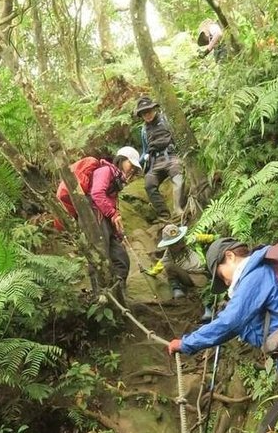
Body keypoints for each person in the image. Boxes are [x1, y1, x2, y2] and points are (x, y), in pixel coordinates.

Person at [167, 237, 278, 433]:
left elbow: (229, 323)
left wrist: (186, 343)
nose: (225, 282)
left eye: (221, 275)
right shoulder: (255, 277)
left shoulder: (256, 274)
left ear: (230, 256)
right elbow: (251, 331)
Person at [57, 146, 141, 287]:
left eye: (134, 168)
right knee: (99, 257)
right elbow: (97, 193)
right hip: (93, 216)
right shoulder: (105, 170)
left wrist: (118, 233)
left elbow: (109, 205)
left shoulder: (116, 181)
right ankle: (102, 296)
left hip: (103, 220)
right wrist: (113, 214)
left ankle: (120, 294)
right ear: (121, 160)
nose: (132, 169)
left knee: (121, 259)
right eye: (130, 164)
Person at [147, 223, 213, 321]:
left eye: (179, 241)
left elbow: (201, 237)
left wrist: (213, 237)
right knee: (170, 267)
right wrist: (153, 272)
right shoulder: (168, 254)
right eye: (174, 244)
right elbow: (161, 264)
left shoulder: (189, 241)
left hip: (201, 273)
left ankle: (208, 310)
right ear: (169, 245)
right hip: (186, 276)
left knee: (202, 291)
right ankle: (176, 289)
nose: (178, 244)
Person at [135, 96, 185, 221]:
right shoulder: (144, 130)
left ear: (154, 109)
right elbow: (146, 150)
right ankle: (164, 215)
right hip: (155, 161)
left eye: (149, 111)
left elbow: (178, 136)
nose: (147, 114)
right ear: (141, 115)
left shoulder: (165, 120)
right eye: (144, 113)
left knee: (178, 178)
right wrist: (136, 163)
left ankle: (177, 209)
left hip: (171, 156)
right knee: (149, 185)